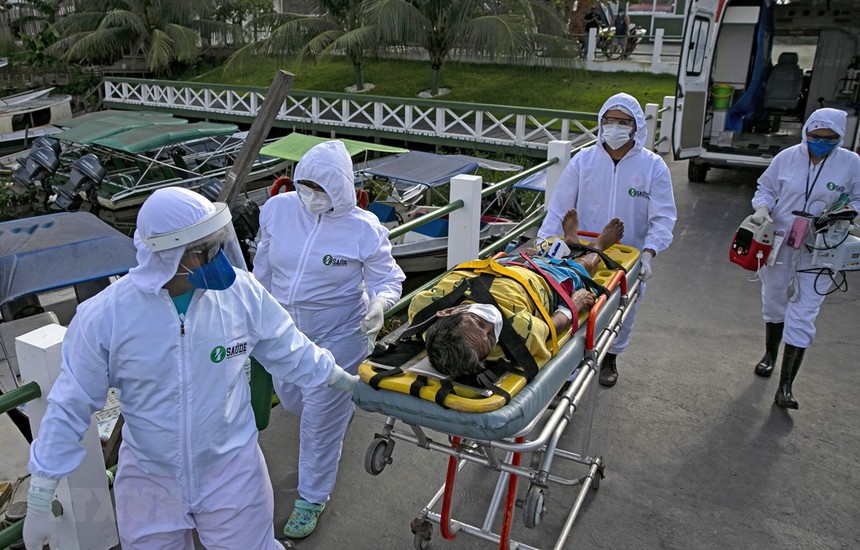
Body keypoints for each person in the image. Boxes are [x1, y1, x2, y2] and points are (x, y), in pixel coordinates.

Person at [23, 187, 358, 550]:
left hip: (232, 470)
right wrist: (41, 492)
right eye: (205, 249)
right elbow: (70, 404)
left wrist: (341, 379)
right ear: (168, 256)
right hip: (150, 480)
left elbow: (290, 349)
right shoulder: (106, 317)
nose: (218, 257)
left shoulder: (241, 294)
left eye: (217, 244)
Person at [254, 140, 405, 539]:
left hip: (339, 336)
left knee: (320, 423)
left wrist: (380, 305)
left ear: (340, 188)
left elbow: (388, 279)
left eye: (320, 189)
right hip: (285, 334)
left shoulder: (363, 228)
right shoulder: (278, 210)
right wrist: (255, 312)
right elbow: (264, 266)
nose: (310, 196)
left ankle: (311, 498)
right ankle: (341, 408)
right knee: (293, 402)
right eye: (304, 185)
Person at [538, 92, 676, 387]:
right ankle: (569, 366)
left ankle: (611, 355)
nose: (615, 127)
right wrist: (545, 242)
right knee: (575, 305)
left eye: (622, 121)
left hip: (628, 257)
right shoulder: (583, 161)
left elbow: (663, 218)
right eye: (609, 120)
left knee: (622, 312)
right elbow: (558, 207)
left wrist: (649, 253)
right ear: (600, 123)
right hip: (583, 253)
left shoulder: (653, 167)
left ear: (636, 125)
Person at [412, 210, 624, 376]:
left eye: (478, 323)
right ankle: (598, 245)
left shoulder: (424, 307)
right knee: (582, 267)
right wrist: (573, 305)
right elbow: (553, 326)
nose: (492, 325)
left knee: (535, 254)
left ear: (448, 311)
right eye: (489, 339)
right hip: (545, 282)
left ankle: (569, 242)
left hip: (504, 266)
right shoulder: (519, 333)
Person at [749, 107, 860, 409]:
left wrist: (845, 214)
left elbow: (858, 198)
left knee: (804, 312)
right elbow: (766, 188)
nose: (820, 143)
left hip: (821, 248)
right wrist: (762, 209)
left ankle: (786, 386)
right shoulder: (786, 158)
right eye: (815, 137)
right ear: (806, 133)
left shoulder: (851, 164)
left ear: (839, 138)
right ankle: (770, 355)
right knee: (773, 300)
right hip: (782, 242)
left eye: (829, 139)